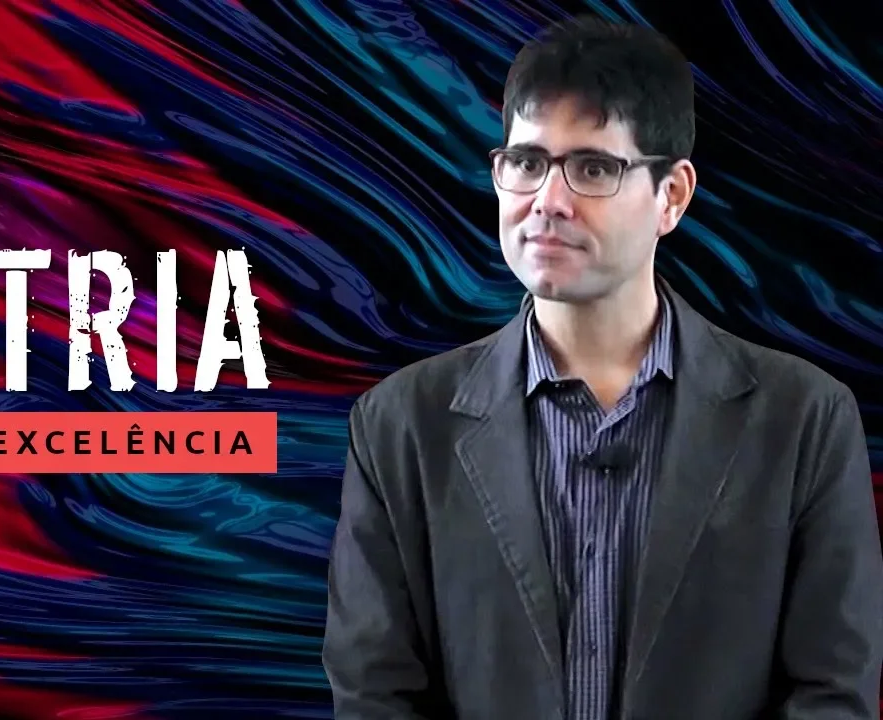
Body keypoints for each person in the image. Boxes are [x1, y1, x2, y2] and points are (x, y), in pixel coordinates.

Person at [322, 15, 883, 720]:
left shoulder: (804, 421)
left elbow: (832, 694)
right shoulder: (400, 426)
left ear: (672, 196)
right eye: (527, 163)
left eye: (592, 169)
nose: (547, 202)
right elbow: (374, 694)